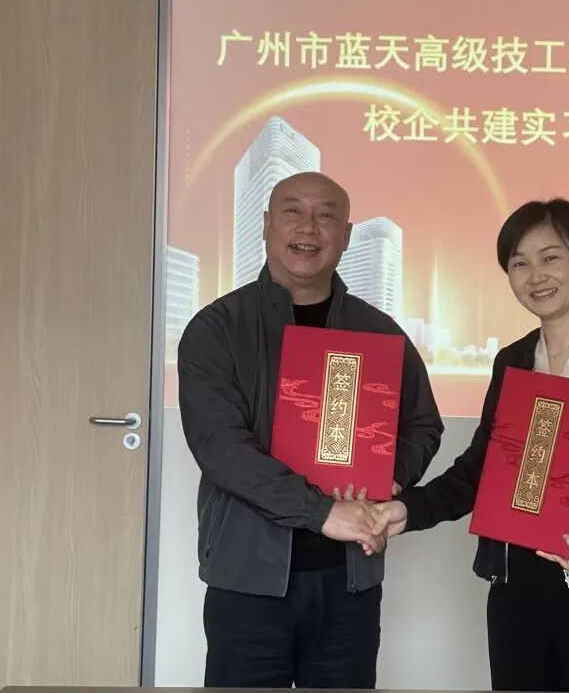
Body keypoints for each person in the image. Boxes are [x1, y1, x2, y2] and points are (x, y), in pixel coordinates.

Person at [372, 198, 569, 693]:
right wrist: (407, 510)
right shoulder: (512, 361)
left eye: (551, 257)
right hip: (517, 587)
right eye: (519, 263)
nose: (535, 276)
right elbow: (479, 470)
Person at [177, 172, 443, 689]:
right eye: (293, 211)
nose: (308, 227)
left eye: (326, 215)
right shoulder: (218, 329)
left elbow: (422, 423)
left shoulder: (378, 332)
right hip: (247, 581)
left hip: (349, 580)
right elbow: (222, 448)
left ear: (345, 234)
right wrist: (323, 513)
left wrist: (387, 476)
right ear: (266, 224)